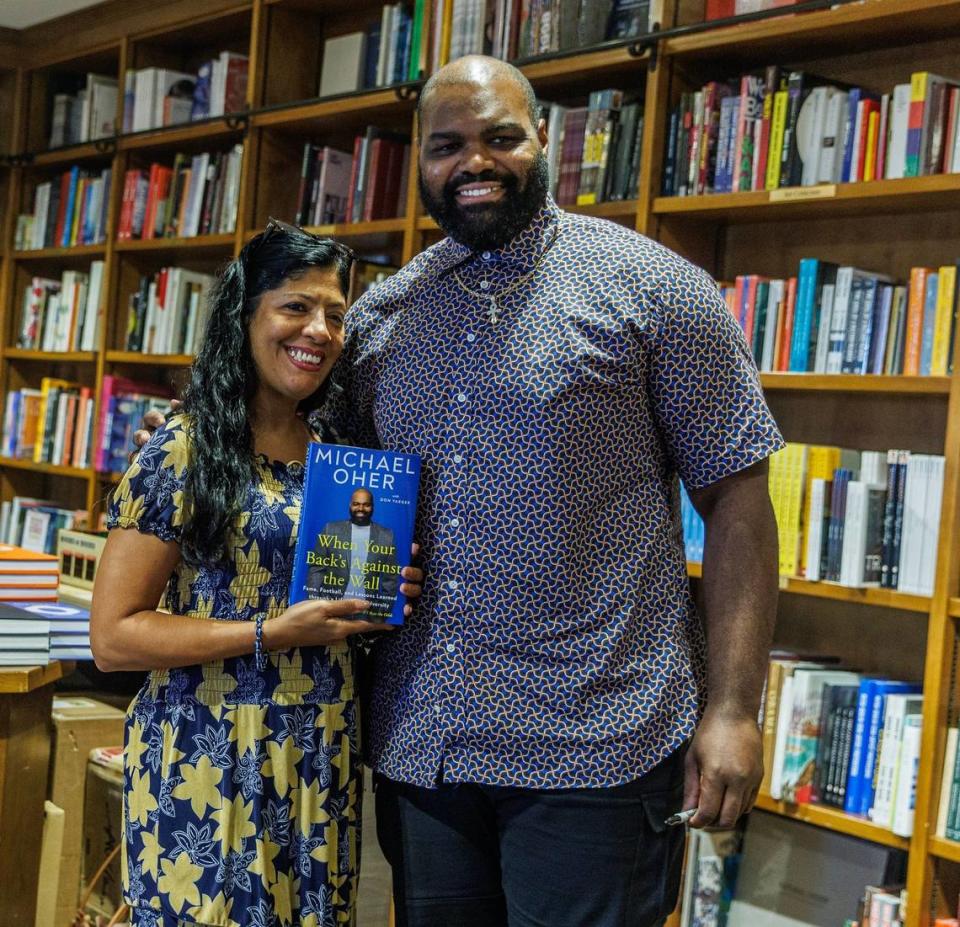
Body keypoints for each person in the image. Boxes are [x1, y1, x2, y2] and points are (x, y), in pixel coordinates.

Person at [137, 56, 784, 927]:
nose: (475, 162)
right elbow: (297, 452)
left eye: (500, 138)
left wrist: (735, 709)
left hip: (594, 747)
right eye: (448, 146)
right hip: (423, 749)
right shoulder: (379, 317)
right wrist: (184, 442)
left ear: (544, 141)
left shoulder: (657, 288)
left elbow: (739, 498)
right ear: (421, 162)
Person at [91, 222, 422, 927]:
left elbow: (331, 611)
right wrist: (273, 630)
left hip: (319, 753)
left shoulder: (340, 458)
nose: (320, 329)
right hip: (206, 755)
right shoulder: (182, 446)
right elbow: (114, 636)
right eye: (296, 306)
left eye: (336, 313)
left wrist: (379, 598)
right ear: (246, 315)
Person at [306, 488, 400, 620]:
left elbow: (390, 579)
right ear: (350, 505)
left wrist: (380, 615)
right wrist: (316, 604)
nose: (360, 508)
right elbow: (316, 569)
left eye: (366, 504)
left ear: (372, 507)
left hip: (366, 613)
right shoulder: (330, 529)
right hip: (332, 609)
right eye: (356, 504)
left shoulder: (386, 536)